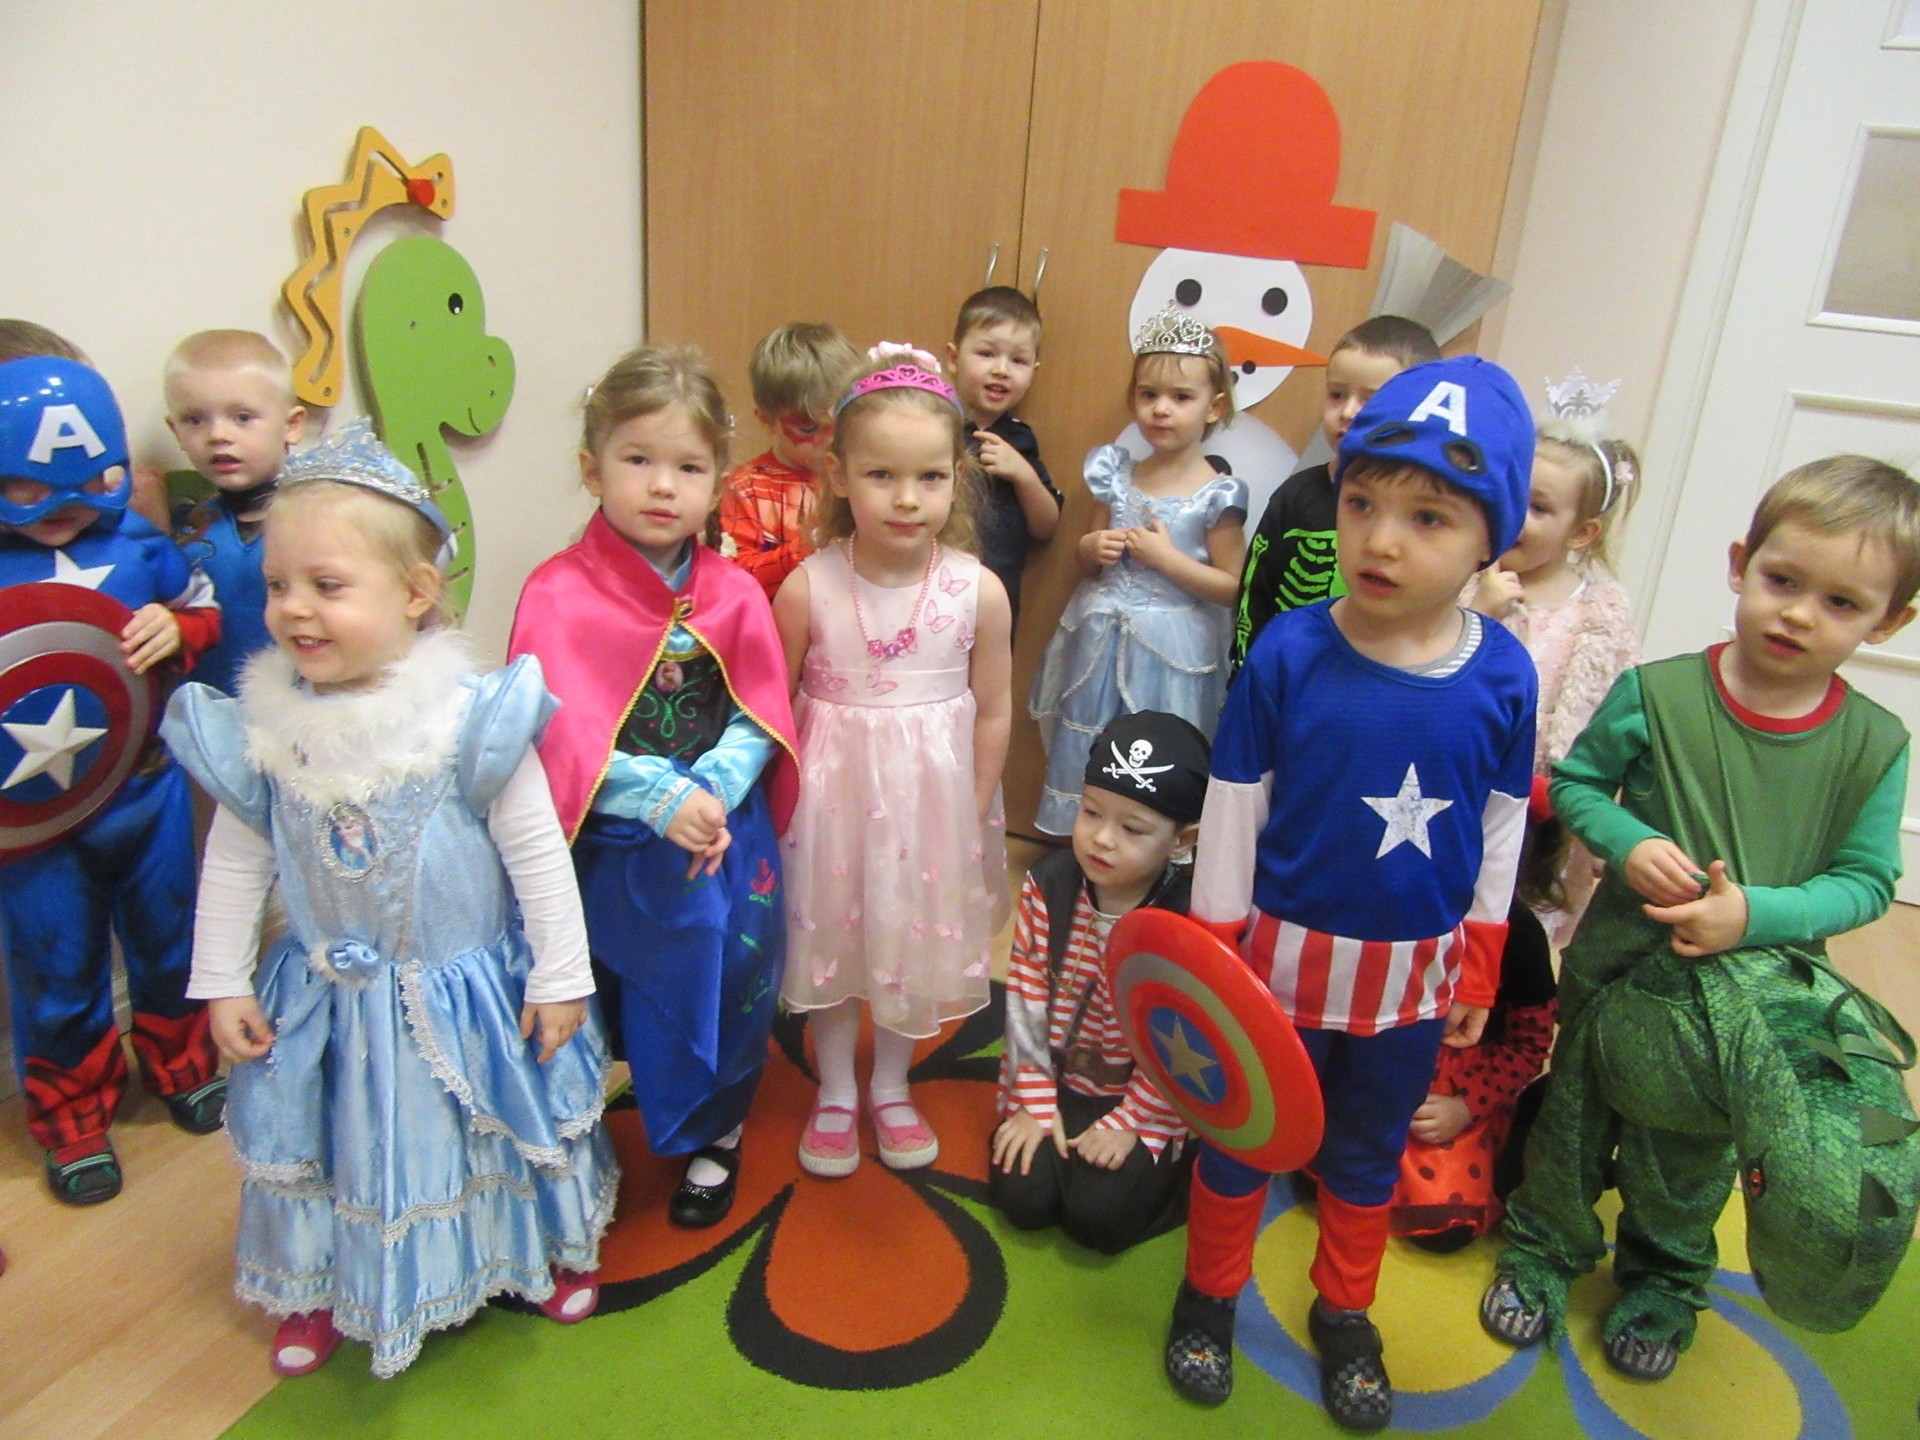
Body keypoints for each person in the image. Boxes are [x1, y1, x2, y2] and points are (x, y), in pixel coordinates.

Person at [161, 421, 615, 1378]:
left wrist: (560, 975)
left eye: (327, 586)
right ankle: (324, 1280)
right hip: (327, 1002)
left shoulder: (469, 722)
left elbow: (538, 854)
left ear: (413, 594)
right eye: (277, 585)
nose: (294, 610)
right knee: (329, 1142)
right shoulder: (268, 730)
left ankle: (524, 1251)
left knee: (489, 1128)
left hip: (465, 995)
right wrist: (222, 980)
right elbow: (237, 863)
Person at [1484, 455, 1918, 1384]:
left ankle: (1664, 1280)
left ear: (1890, 621)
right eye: (1783, 580)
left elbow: (1867, 883)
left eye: (1841, 603)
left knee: (1688, 1153)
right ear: (1739, 565)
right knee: (1573, 1117)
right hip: (1614, 965)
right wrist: (1628, 839)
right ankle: (1544, 1245)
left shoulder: (1875, 745)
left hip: (1743, 1003)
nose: (1798, 614)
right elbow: (1577, 784)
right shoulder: (1660, 694)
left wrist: (1754, 913)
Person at [1165, 356, 1537, 1432]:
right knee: (1244, 1137)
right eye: (1363, 502)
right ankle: (1209, 1292)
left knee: (1368, 1155)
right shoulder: (1288, 652)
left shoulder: (1504, 675)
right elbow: (1234, 806)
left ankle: (1345, 1312)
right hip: (1271, 970)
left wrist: (1479, 966)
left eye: (1428, 518)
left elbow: (1501, 830)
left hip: (1411, 985)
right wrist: (1213, 952)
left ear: (1490, 540)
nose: (1380, 539)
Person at [510, 346, 799, 1229]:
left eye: (689, 467)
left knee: (731, 972)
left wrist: (711, 784)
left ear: (719, 481)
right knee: (602, 977)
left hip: (721, 831)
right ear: (591, 466)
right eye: (637, 460)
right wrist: (654, 797)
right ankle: (576, 1121)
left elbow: (760, 711)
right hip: (608, 838)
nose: (663, 486)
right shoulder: (556, 593)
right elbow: (552, 730)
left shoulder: (733, 593)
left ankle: (719, 1129)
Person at [773, 345, 1011, 1177]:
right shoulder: (807, 585)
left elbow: (995, 706)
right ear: (840, 476)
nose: (907, 499)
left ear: (956, 479)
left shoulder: (978, 590)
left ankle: (891, 1083)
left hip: (932, 810)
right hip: (830, 809)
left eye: (930, 478)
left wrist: (972, 807)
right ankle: (837, 1087)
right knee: (835, 944)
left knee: (911, 941)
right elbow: (774, 707)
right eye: (881, 475)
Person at [0, 356, 225, 1206]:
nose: (61, 504)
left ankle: (184, 1064)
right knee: (55, 969)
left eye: (87, 479)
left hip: (146, 786)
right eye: (28, 486)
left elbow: (203, 608)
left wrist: (179, 626)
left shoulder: (138, 543)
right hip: (36, 828)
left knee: (172, 940)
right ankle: (72, 1118)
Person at [1028, 304, 1248, 836]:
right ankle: (1084, 840)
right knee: (1090, 739)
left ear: (1214, 407)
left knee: (1156, 751)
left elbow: (1232, 586)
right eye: (1149, 395)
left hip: (1171, 652)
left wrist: (1168, 560)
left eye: (1181, 397)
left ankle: (1150, 846)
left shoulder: (1216, 494)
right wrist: (1091, 547)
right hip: (1101, 639)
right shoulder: (1115, 474)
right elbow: (1084, 560)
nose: (1161, 410)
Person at [991, 710, 1204, 1253]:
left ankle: (1175, 1163)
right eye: (1090, 812)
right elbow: (1027, 999)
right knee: (1023, 1198)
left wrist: (1134, 1120)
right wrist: (1034, 1102)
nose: (1102, 839)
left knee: (1099, 1219)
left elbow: (1185, 1039)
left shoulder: (1189, 920)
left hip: (1146, 1094)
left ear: (1183, 841)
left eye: (1133, 829)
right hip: (1058, 1079)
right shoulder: (1048, 884)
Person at [1468, 389, 1643, 938]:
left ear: (1581, 532)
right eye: (1509, 493)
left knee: (1521, 922)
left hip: (1542, 815)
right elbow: (1430, 663)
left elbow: (1619, 712)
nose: (1514, 514)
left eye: (1538, 508)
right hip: (1464, 781)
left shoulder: (1599, 615)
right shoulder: (1466, 581)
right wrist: (1479, 614)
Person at [1385, 811, 1561, 1252]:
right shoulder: (1407, 901)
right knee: (1325, 1180)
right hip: (1388, 1072)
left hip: (1461, 1088)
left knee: (1445, 1231)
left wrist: (1465, 1107)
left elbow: (1529, 1046)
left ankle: (1524, 1130)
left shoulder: (1522, 936)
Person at [1232, 316, 1440, 668]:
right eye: (1336, 394)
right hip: (1285, 676)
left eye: (1372, 400)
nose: (1347, 412)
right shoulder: (1296, 495)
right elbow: (1254, 595)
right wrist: (1245, 674)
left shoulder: (1431, 510)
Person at [164, 330, 308, 695]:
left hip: (306, 711)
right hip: (204, 715)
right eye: (195, 420)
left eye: (242, 417)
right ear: (175, 431)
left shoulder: (326, 516)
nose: (218, 435)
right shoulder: (186, 529)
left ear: (291, 425)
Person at [718, 321, 860, 600]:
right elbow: (733, 578)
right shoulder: (745, 488)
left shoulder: (859, 475)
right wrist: (805, 547)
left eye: (840, 424)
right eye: (808, 429)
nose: (830, 440)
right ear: (767, 421)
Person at [946, 286, 1061, 621]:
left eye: (1018, 360)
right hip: (934, 587)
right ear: (953, 359)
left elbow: (1045, 526)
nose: (1001, 370)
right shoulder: (937, 427)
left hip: (997, 596)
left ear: (1033, 370)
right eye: (986, 354)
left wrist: (1023, 474)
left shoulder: (1020, 439)